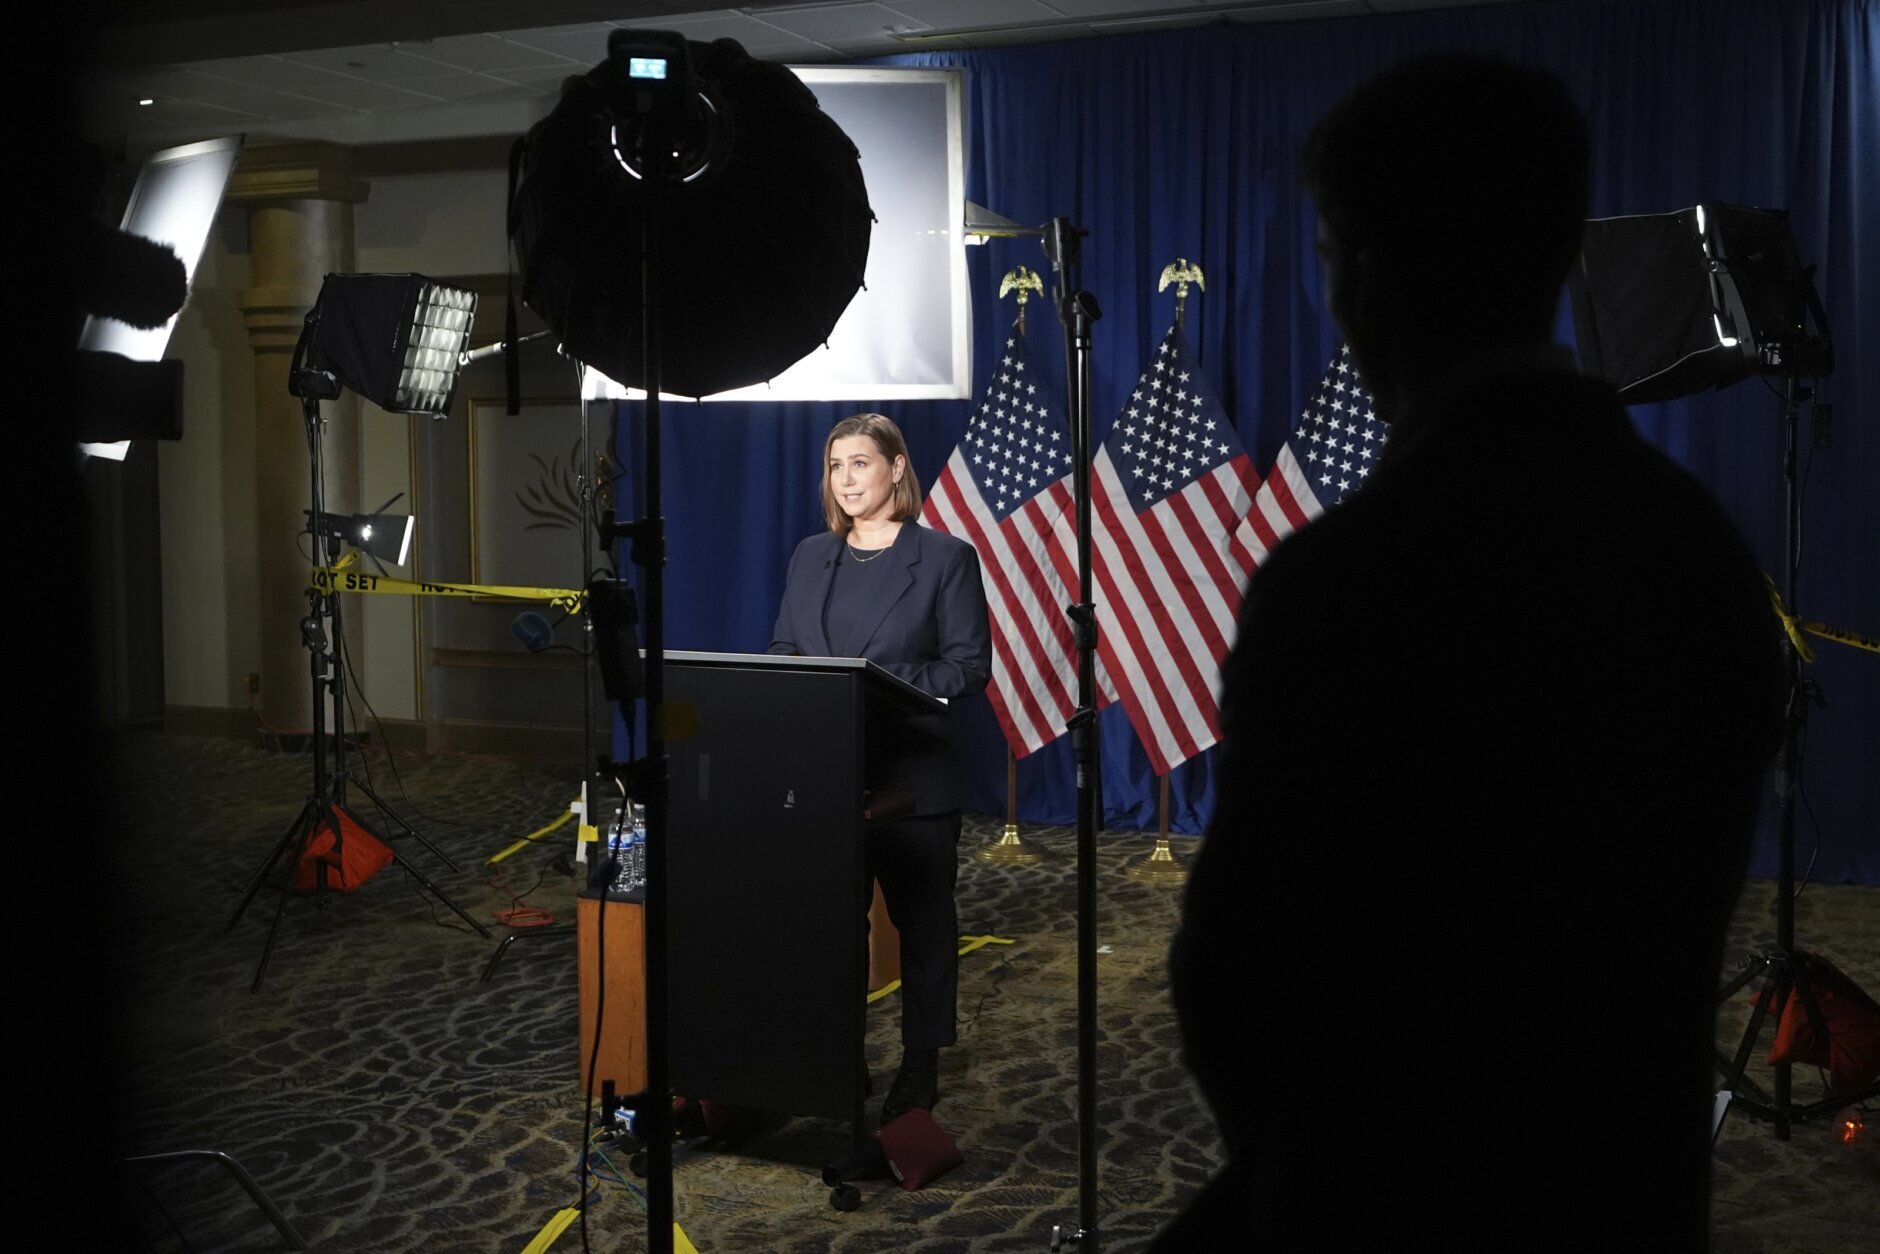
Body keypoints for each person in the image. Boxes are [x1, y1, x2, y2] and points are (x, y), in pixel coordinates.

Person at [1154, 55, 1783, 1249]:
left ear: (1365, 270)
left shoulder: (1346, 579)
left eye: (1328, 254)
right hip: (1624, 1199)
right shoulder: (1694, 549)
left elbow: (1231, 978)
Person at [769, 412, 992, 1125]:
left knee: (922, 926)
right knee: (833, 927)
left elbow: (967, 668)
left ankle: (920, 1064)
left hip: (913, 779)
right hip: (830, 774)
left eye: (860, 463)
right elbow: (785, 648)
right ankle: (841, 1054)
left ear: (896, 468)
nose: (846, 479)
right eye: (835, 466)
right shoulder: (811, 555)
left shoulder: (946, 558)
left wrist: (876, 682)